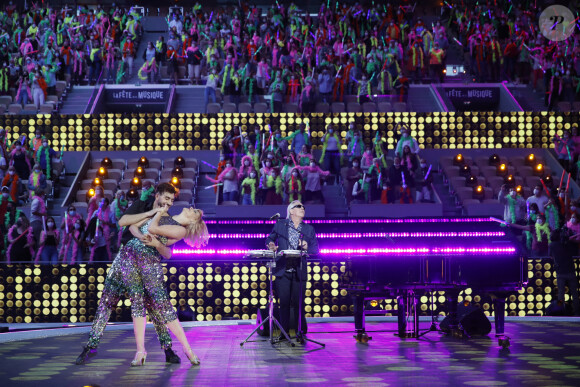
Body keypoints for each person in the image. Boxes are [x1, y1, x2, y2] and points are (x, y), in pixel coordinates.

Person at [76, 183, 183, 366]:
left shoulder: (167, 219)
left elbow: (167, 250)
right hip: (125, 258)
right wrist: (151, 213)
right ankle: (90, 345)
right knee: (106, 301)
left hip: (146, 265)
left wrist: (157, 242)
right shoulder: (142, 204)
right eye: (166, 198)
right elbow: (124, 222)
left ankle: (167, 349)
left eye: (171, 200)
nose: (168, 203)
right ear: (156, 196)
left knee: (154, 306)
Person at [266, 201, 319, 340]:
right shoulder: (280, 225)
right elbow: (270, 239)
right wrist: (271, 244)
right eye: (299, 206)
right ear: (291, 211)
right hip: (283, 270)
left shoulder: (308, 229)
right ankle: (284, 333)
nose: (303, 208)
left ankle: (300, 332)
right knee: (283, 303)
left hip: (299, 270)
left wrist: (307, 246)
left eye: (303, 207)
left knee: (298, 303)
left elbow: (315, 249)